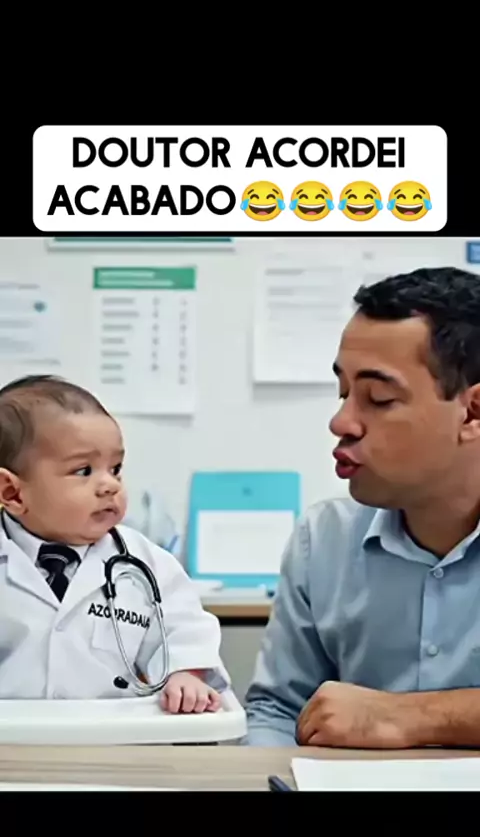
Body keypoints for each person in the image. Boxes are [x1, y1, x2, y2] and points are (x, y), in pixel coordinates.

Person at [244, 265, 480, 749]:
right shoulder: (323, 541)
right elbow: (278, 710)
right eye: (344, 393)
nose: (341, 422)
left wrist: (414, 717)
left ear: (472, 413)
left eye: (378, 397)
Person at [0, 374, 227, 712]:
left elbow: (185, 628)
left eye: (115, 468)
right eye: (83, 471)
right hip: (11, 735)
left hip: (114, 733)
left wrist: (184, 675)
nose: (109, 485)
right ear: (12, 493)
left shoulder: (147, 563)